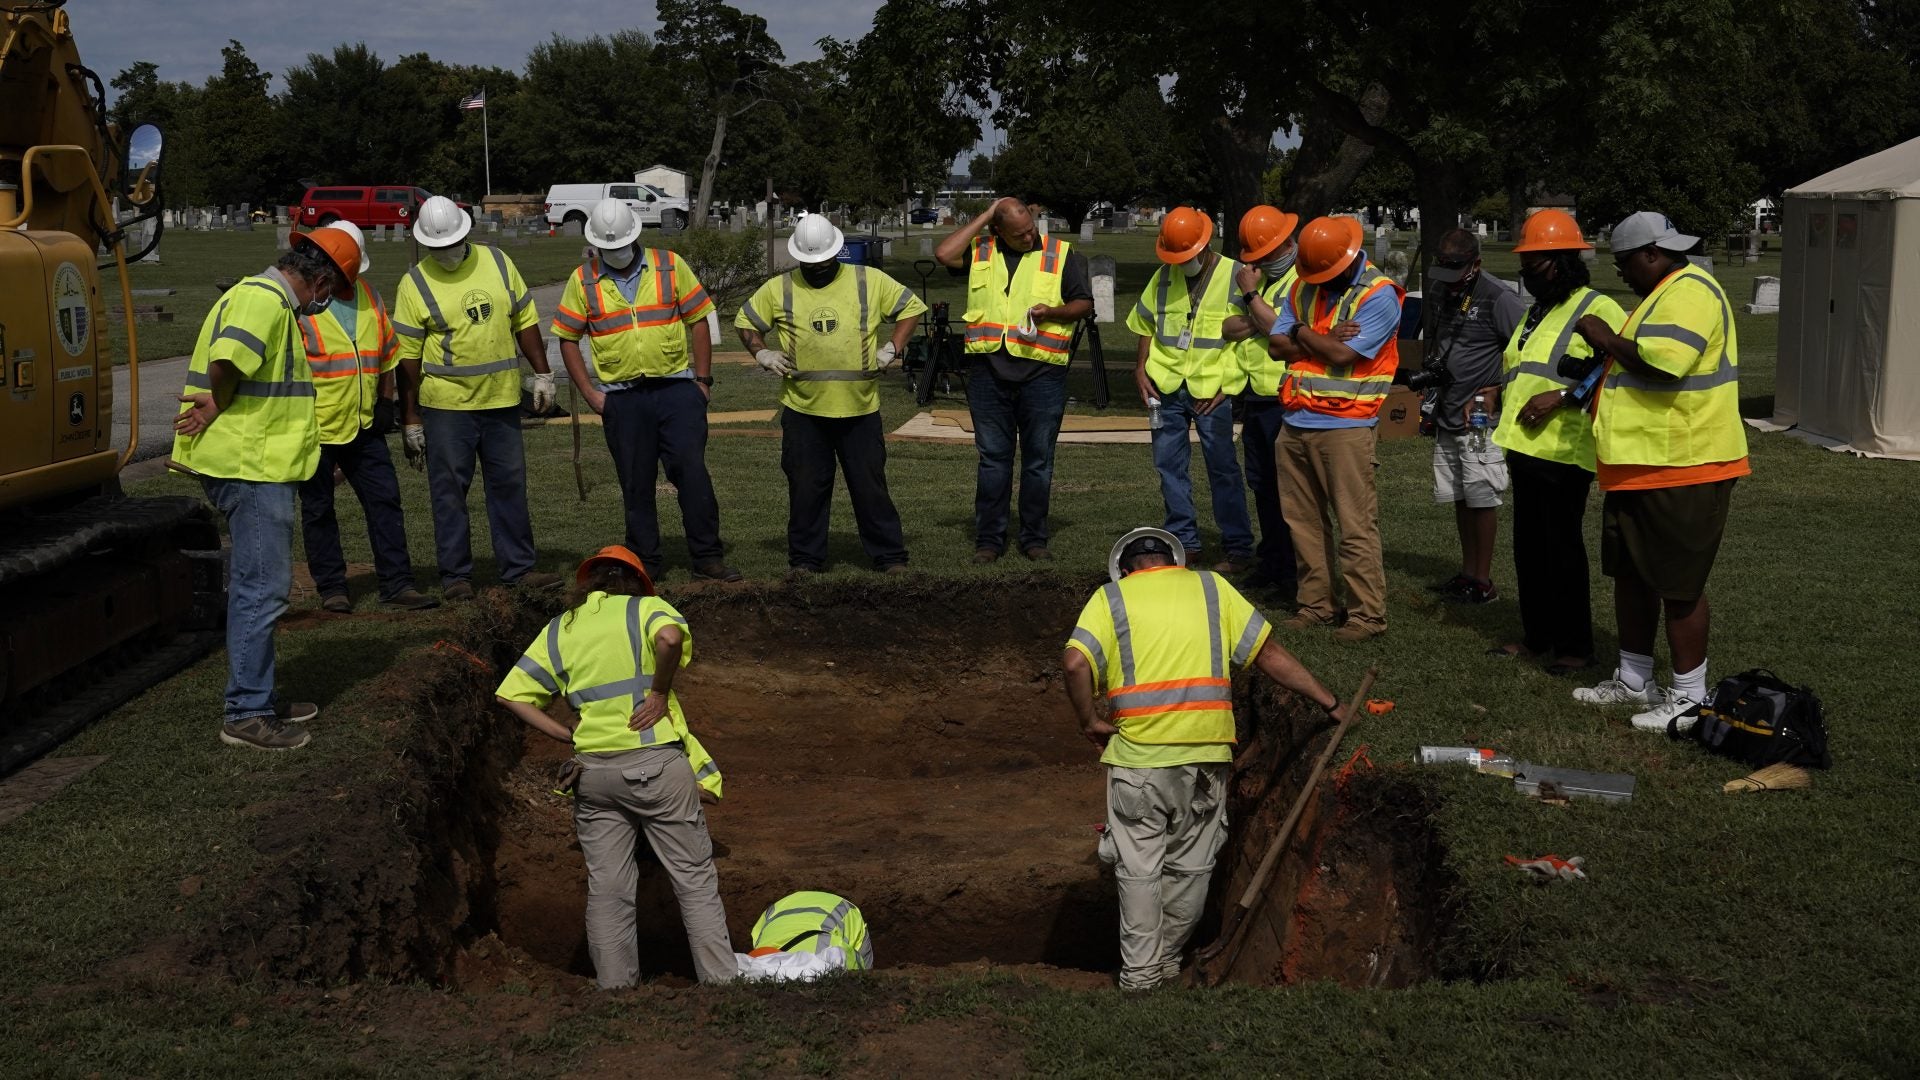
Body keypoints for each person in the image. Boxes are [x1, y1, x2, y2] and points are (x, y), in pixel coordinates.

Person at [1062, 527, 1353, 990]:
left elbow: (1076, 664)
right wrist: (1331, 702)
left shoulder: (1110, 598)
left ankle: (1140, 979)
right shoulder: (1213, 587)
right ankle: (1168, 963)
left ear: (1124, 568)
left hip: (1139, 760)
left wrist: (1089, 721)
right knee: (1191, 869)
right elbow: (1269, 654)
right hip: (1206, 761)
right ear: (1174, 561)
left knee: (1139, 873)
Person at [493, 545, 735, 988]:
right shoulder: (647, 609)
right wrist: (659, 693)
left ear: (588, 584)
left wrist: (565, 735)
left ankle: (615, 993)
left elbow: (510, 695)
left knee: (608, 890)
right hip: (655, 766)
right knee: (695, 882)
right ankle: (722, 988)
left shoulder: (560, 628)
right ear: (638, 583)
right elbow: (669, 640)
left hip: (593, 774)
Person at [171, 230, 359, 750]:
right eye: (333, 290)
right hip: (248, 466)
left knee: (263, 585)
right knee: (263, 587)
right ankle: (246, 712)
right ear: (319, 279)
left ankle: (259, 695)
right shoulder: (264, 300)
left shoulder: (267, 299)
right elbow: (228, 363)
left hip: (260, 465)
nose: (330, 300)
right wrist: (216, 402)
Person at [1571, 211, 1748, 732]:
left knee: (1678, 583)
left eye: (1624, 262)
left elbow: (1665, 363)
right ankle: (1633, 678)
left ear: (1652, 253)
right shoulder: (1660, 293)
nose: (1621, 273)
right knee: (1631, 574)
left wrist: (1604, 336)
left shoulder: (1692, 290)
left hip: (1686, 464)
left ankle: (1691, 696)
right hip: (1641, 465)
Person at [552, 199, 739, 584]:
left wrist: (702, 382)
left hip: (676, 391)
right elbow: (567, 338)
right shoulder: (583, 279)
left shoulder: (669, 265)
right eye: (608, 249)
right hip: (622, 399)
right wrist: (590, 393)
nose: (615, 254)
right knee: (635, 483)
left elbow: (699, 319)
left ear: (636, 236)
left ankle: (707, 558)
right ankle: (645, 562)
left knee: (692, 475)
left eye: (620, 246)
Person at [736, 214, 927, 578]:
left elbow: (910, 308)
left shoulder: (866, 279)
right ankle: (806, 561)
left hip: (859, 407)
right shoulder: (781, 288)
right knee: (806, 488)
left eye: (822, 260)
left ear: (836, 251)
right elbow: (746, 322)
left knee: (870, 487)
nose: (817, 267)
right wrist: (761, 352)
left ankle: (890, 558)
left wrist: (892, 348)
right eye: (810, 261)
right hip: (804, 408)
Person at [393, 195, 561, 599]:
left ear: (466, 234)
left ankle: (518, 569)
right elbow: (408, 359)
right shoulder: (414, 283)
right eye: (438, 247)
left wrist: (542, 373)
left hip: (501, 401)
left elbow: (524, 320)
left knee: (509, 486)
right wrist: (411, 418)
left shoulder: (499, 263)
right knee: (449, 492)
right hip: (446, 407)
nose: (447, 252)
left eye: (451, 243)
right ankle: (456, 577)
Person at [1490, 209, 1625, 673]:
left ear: (1565, 261)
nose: (1528, 273)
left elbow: (1613, 369)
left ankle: (1574, 647)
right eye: (1525, 265)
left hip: (1564, 451)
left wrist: (1564, 396)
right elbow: (1524, 368)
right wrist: (1494, 390)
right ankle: (1537, 636)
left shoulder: (1598, 307)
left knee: (1562, 549)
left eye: (1537, 264)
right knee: (1530, 547)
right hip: (1524, 445)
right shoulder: (1538, 311)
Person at [1266, 216, 1406, 643]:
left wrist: (1303, 333)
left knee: (1354, 524)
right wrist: (1320, 333)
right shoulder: (1301, 286)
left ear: (1348, 261)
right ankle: (1317, 605)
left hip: (1347, 425)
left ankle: (1367, 615)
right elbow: (1276, 346)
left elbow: (1342, 356)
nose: (1319, 283)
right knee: (1302, 522)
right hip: (1294, 421)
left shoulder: (1380, 296)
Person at [934, 196, 1094, 563]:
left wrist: (1052, 311)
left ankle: (1034, 539)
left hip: (1042, 373)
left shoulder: (1060, 253)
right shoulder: (981, 250)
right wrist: (988, 212)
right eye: (1020, 234)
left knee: (1039, 460)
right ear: (997, 231)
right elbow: (944, 255)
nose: (1030, 237)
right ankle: (989, 540)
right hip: (989, 374)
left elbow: (1083, 303)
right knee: (993, 460)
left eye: (1031, 229)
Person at [295, 220, 437, 614]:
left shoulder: (369, 296)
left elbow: (387, 351)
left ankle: (398, 583)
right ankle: (332, 588)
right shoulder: (300, 303)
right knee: (318, 508)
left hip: (364, 424)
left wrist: (386, 401)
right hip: (316, 427)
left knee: (384, 501)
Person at [1128, 207, 1256, 572]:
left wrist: (1229, 386)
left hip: (1210, 391)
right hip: (1165, 385)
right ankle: (1184, 542)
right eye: (1176, 256)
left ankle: (1238, 548)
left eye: (1187, 255)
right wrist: (1140, 368)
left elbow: (1249, 338)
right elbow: (1144, 322)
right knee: (1169, 466)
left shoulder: (1236, 276)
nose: (1182, 262)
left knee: (1223, 469)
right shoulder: (1164, 275)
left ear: (1206, 244)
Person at [1422, 228, 1525, 604]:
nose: (1447, 283)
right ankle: (1468, 573)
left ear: (1476, 264)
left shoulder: (1499, 297)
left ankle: (1483, 582)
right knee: (1461, 496)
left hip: (1480, 419)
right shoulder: (1441, 289)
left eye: (1456, 272)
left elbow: (1525, 354)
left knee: (1482, 497)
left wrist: (1497, 390)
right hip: (1449, 410)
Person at [1223, 205, 1302, 592]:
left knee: (1286, 487)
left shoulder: (1301, 279)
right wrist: (1261, 314)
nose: (1256, 263)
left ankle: (1291, 569)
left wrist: (1252, 297)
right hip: (1255, 396)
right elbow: (1228, 327)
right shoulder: (1265, 284)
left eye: (1264, 255)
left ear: (1286, 244)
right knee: (1262, 484)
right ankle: (1272, 562)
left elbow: (1282, 330)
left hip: (1285, 398)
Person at [744, 890, 873, 972]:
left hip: (844, 910)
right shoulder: (752, 962)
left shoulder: (831, 956)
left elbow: (857, 967)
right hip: (782, 907)